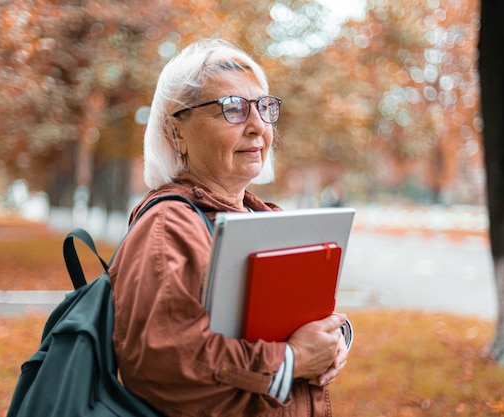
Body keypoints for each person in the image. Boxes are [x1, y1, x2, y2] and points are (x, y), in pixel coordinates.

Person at [109, 38, 352, 417]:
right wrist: (293, 358)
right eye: (232, 108)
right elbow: (163, 363)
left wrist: (333, 341)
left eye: (264, 107)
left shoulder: (266, 217)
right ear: (176, 132)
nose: (258, 126)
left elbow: (299, 320)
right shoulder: (167, 226)